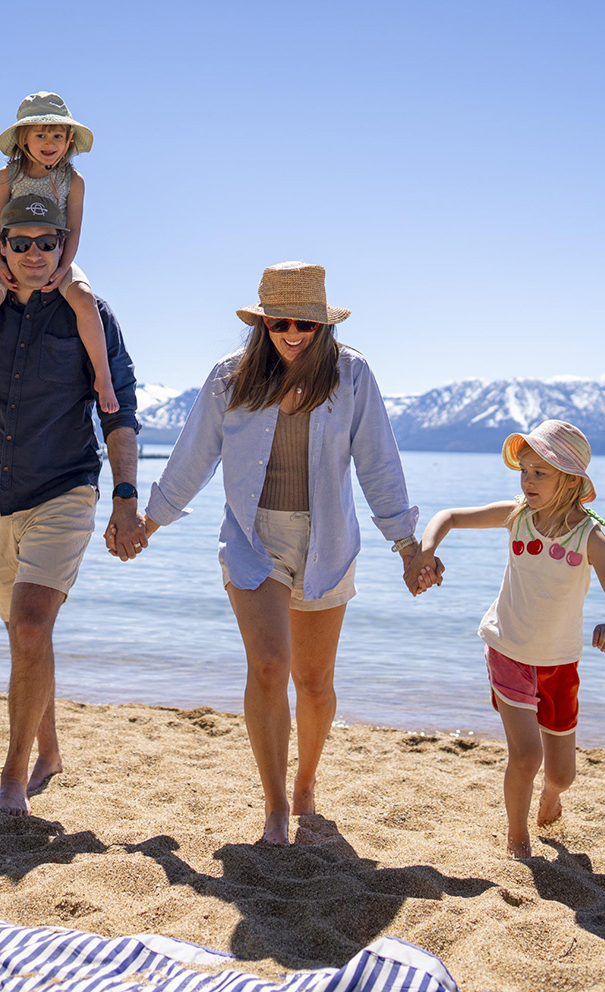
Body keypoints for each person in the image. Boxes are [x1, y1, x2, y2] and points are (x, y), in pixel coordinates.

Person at [128, 262, 430, 846]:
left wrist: (407, 546)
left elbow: (378, 463)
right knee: (269, 665)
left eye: (305, 325)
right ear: (262, 323)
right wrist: (150, 521)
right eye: (279, 323)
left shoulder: (352, 376)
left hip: (328, 540)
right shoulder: (231, 378)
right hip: (253, 538)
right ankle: (272, 807)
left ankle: (306, 785)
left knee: (314, 682)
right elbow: (193, 456)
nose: (292, 334)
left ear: (324, 327)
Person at [0, 190, 147, 817]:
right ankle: (49, 750)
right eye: (18, 242)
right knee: (26, 633)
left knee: (28, 625)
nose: (31, 254)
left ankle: (14, 776)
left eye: (44, 243)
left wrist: (126, 499)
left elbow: (120, 409)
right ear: (0, 246)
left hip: (65, 486)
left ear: (62, 246)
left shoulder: (89, 313)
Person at [412, 419, 605, 858]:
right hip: (508, 650)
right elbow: (450, 517)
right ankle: (517, 838)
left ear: (571, 481)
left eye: (540, 473)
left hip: (560, 663)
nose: (527, 481)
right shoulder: (517, 517)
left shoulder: (589, 537)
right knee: (526, 755)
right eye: (524, 471)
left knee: (562, 773)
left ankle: (551, 798)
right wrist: (427, 548)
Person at [0, 92, 120, 415]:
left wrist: (63, 268)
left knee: (84, 299)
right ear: (23, 138)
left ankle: (104, 377)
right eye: (40, 134)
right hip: (12, 255)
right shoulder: (7, 177)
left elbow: (73, 229)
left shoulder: (73, 180)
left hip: (56, 256)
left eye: (57, 135)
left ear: (69, 138)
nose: (49, 142)